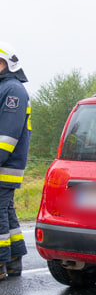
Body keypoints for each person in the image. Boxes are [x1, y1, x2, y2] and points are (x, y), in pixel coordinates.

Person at [0, 42, 30, 280]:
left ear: (8, 65)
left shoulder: (13, 90)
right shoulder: (6, 88)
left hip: (4, 166)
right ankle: (12, 260)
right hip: (5, 166)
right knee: (6, 213)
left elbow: (8, 135)